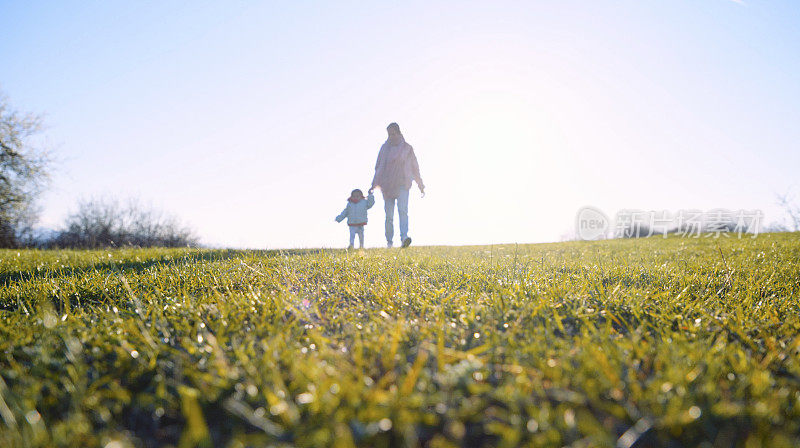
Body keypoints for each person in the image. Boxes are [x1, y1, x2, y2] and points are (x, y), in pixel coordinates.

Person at [369, 123, 425, 248]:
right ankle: (389, 242)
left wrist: (420, 184)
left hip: (402, 184)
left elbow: (414, 167)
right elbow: (379, 167)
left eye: (393, 134)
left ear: (399, 133)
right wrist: (373, 184)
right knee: (389, 215)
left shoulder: (407, 148)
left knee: (403, 211)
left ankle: (404, 238)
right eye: (389, 134)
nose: (391, 137)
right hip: (387, 185)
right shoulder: (384, 149)